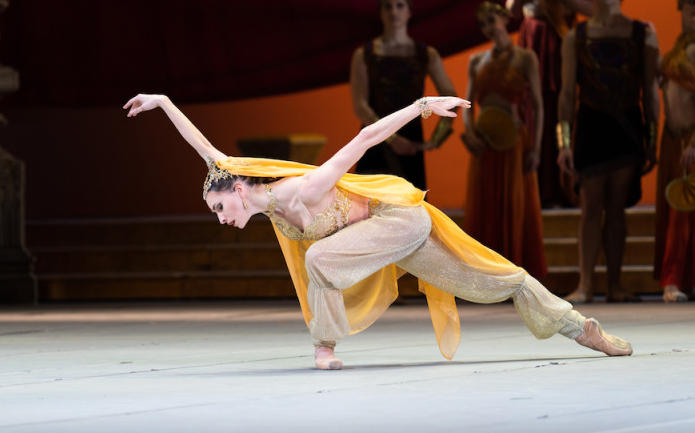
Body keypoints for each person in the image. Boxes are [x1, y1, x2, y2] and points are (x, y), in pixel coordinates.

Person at [124, 92, 633, 370]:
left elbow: (365, 137)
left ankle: (325, 347)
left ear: (236, 190)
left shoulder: (304, 190)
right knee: (489, 281)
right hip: (391, 241)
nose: (220, 218)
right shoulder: (243, 187)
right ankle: (581, 328)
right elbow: (205, 149)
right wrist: (165, 103)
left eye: (217, 207)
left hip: (401, 221)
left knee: (323, 260)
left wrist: (420, 108)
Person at [557, 0, 659, 304]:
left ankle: (615, 284)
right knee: (590, 206)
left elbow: (650, 87)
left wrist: (653, 138)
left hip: (627, 124)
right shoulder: (576, 36)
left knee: (617, 208)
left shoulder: (642, 32)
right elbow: (567, 93)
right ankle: (585, 284)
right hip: (590, 124)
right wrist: (564, 142)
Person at [506, 0, 595, 208]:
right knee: (529, 105)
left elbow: (593, 9)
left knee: (563, 104)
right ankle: (532, 186)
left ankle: (564, 185)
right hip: (531, 38)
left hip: (562, 40)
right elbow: (510, 11)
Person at [462, 1, 546, 278]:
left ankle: (515, 271)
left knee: (515, 204)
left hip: (514, 142)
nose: (489, 27)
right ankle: (484, 275)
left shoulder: (525, 58)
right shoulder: (477, 60)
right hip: (484, 143)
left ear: (504, 18)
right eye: (483, 23)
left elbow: (537, 104)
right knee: (485, 205)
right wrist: (469, 133)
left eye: (492, 19)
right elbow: (468, 102)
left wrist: (535, 146)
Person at [350, 0, 457, 190]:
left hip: (411, 141)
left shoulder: (427, 54)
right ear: (380, 12)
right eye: (388, 6)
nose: (394, 11)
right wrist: (392, 139)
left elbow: (451, 97)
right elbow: (360, 106)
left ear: (409, 12)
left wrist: (437, 139)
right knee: (367, 208)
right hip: (374, 140)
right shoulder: (364, 54)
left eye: (399, 5)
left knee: (412, 210)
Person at [654, 0, 695, 303]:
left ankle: (674, 279)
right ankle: (677, 278)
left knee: (685, 211)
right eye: (691, 3)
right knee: (674, 211)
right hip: (671, 139)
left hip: (690, 139)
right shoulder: (677, 49)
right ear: (681, 7)